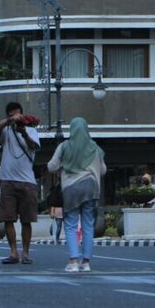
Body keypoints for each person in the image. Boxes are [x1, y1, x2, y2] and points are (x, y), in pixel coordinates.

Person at [47, 117, 106, 274]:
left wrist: (62, 164)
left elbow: (51, 166)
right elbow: (103, 170)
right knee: (88, 225)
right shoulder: (95, 148)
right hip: (91, 188)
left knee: (71, 225)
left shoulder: (64, 146)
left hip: (71, 189)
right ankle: (85, 262)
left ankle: (73, 261)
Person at [0, 101, 40, 265]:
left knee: (27, 220)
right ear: (8, 116)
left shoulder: (31, 130)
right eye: (13, 115)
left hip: (27, 181)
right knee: (8, 218)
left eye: (18, 114)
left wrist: (24, 132)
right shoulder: (5, 131)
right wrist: (9, 121)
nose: (16, 118)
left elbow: (34, 147)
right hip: (7, 180)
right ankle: (14, 252)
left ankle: (26, 253)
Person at [48, 176, 64, 244]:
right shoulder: (58, 189)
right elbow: (54, 201)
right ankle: (56, 238)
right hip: (59, 209)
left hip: (60, 209)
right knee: (59, 226)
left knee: (59, 225)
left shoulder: (58, 188)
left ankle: (56, 237)